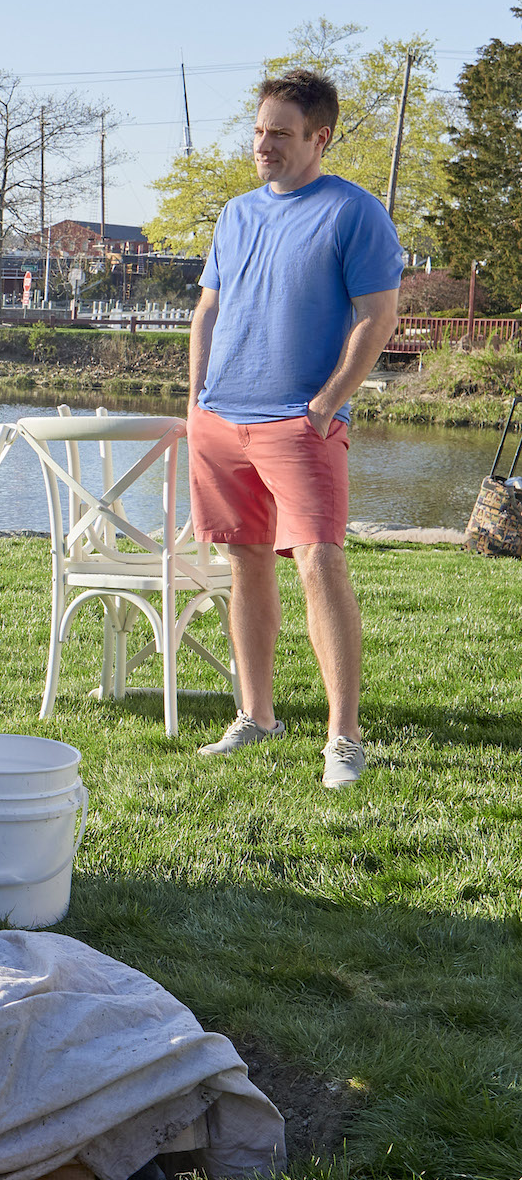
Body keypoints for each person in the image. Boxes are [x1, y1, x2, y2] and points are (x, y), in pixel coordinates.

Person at [187, 68, 402, 788]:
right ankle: (257, 714)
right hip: (221, 419)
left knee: (319, 560)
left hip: (299, 422)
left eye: (279, 133)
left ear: (320, 137)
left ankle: (343, 738)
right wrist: (196, 401)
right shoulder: (236, 213)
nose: (263, 145)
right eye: (258, 131)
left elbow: (379, 316)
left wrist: (327, 402)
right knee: (245, 562)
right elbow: (209, 311)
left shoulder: (354, 213)